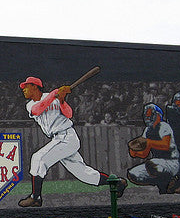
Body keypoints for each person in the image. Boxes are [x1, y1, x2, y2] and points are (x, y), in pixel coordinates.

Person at [18, 76, 126, 207]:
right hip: (59, 139)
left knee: (38, 158)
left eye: (26, 87)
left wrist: (62, 100)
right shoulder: (30, 104)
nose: (24, 90)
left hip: (66, 136)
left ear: (35, 86)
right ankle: (118, 183)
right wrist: (55, 94)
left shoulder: (55, 98)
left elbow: (68, 114)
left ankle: (36, 197)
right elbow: (38, 109)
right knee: (84, 174)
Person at [127, 103, 179, 194]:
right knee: (133, 174)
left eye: (150, 114)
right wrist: (134, 152)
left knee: (152, 164)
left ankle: (173, 180)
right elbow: (144, 154)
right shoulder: (147, 130)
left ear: (157, 115)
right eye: (146, 114)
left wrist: (148, 142)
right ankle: (164, 184)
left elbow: (166, 145)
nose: (147, 117)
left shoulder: (164, 126)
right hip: (157, 162)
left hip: (172, 161)